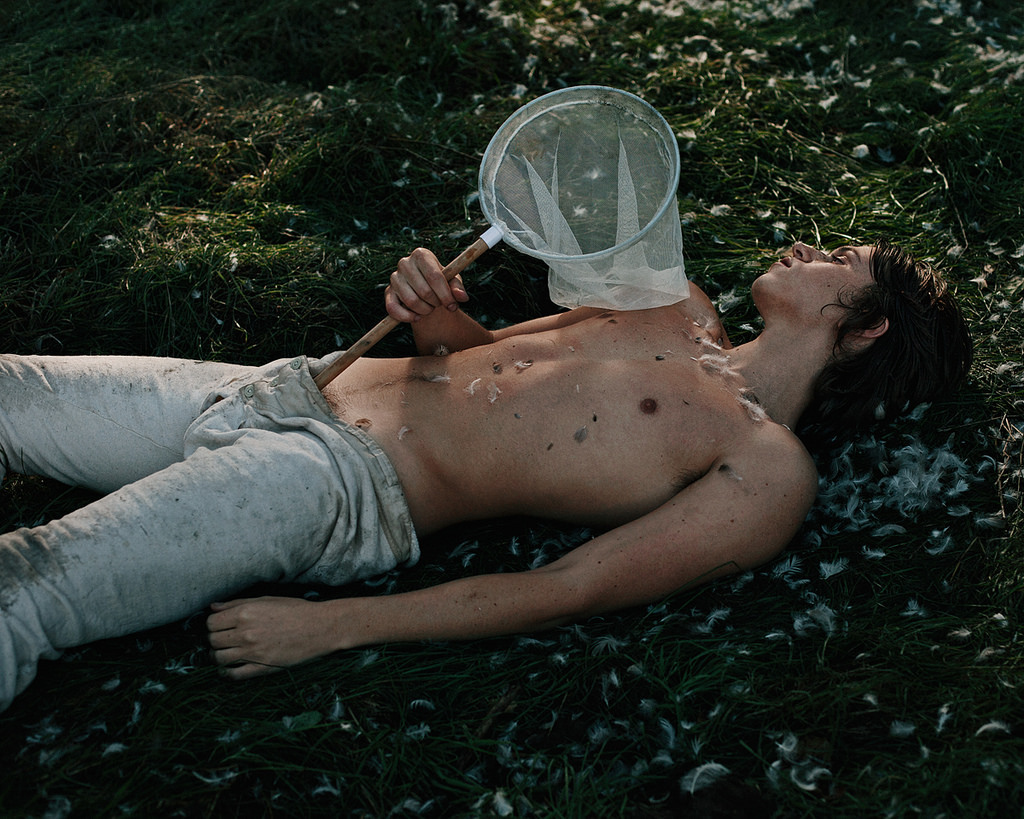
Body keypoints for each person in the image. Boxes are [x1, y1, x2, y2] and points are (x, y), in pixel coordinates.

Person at [0, 240, 971, 709]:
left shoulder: (763, 468)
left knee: (25, 586)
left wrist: (334, 626)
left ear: (869, 325)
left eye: (839, 258)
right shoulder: (672, 301)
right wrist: (429, 304)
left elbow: (568, 589)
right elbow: (476, 358)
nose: (808, 248)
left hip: (331, 483)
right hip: (290, 385)